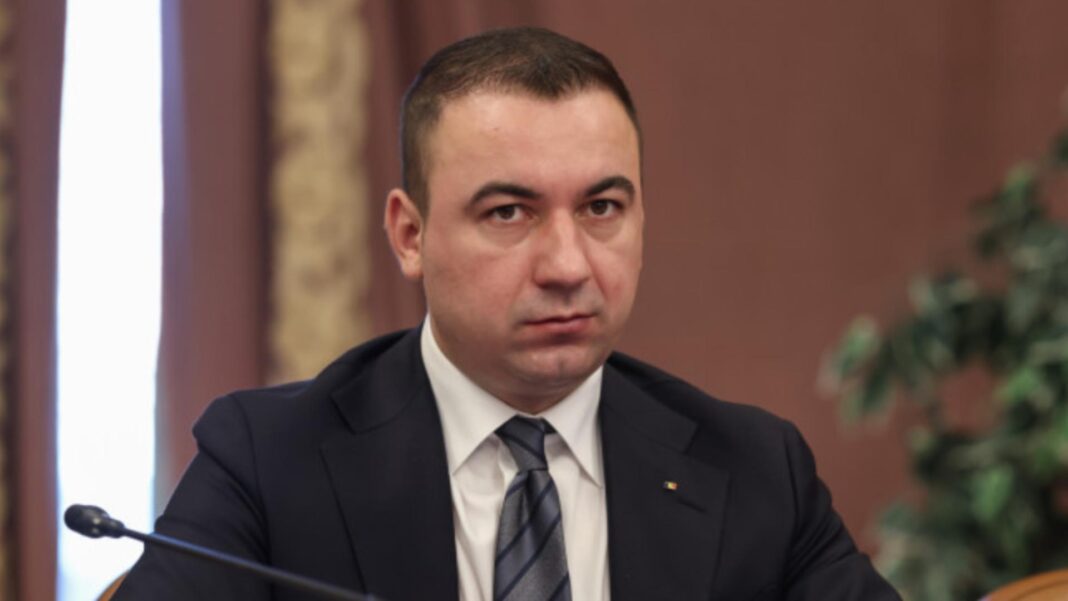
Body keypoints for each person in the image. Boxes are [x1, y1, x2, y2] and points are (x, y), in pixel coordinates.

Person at [115, 27, 901, 601]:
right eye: (508, 213)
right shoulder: (268, 461)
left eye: (601, 206)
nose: (568, 265)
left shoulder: (756, 470)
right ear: (410, 234)